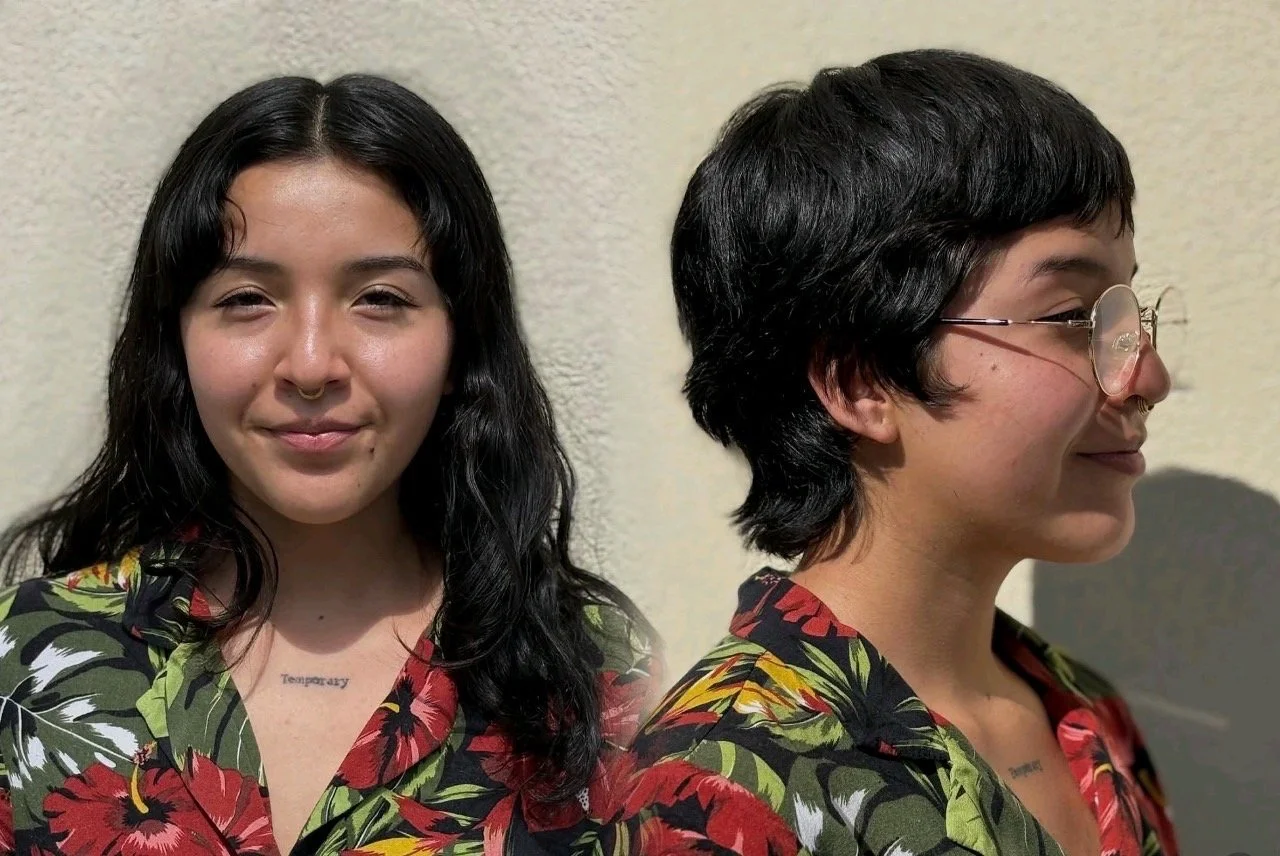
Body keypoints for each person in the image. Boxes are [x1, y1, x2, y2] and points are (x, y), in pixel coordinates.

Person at [0, 74, 658, 855]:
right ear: (176, 339)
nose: (311, 365)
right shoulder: (21, 657)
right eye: (246, 299)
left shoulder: (609, 684)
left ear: (462, 344)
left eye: (380, 298)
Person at [607, 50, 1181, 855]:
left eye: (1127, 315)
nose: (1147, 376)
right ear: (861, 380)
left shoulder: (1087, 715)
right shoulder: (716, 794)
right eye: (1072, 317)